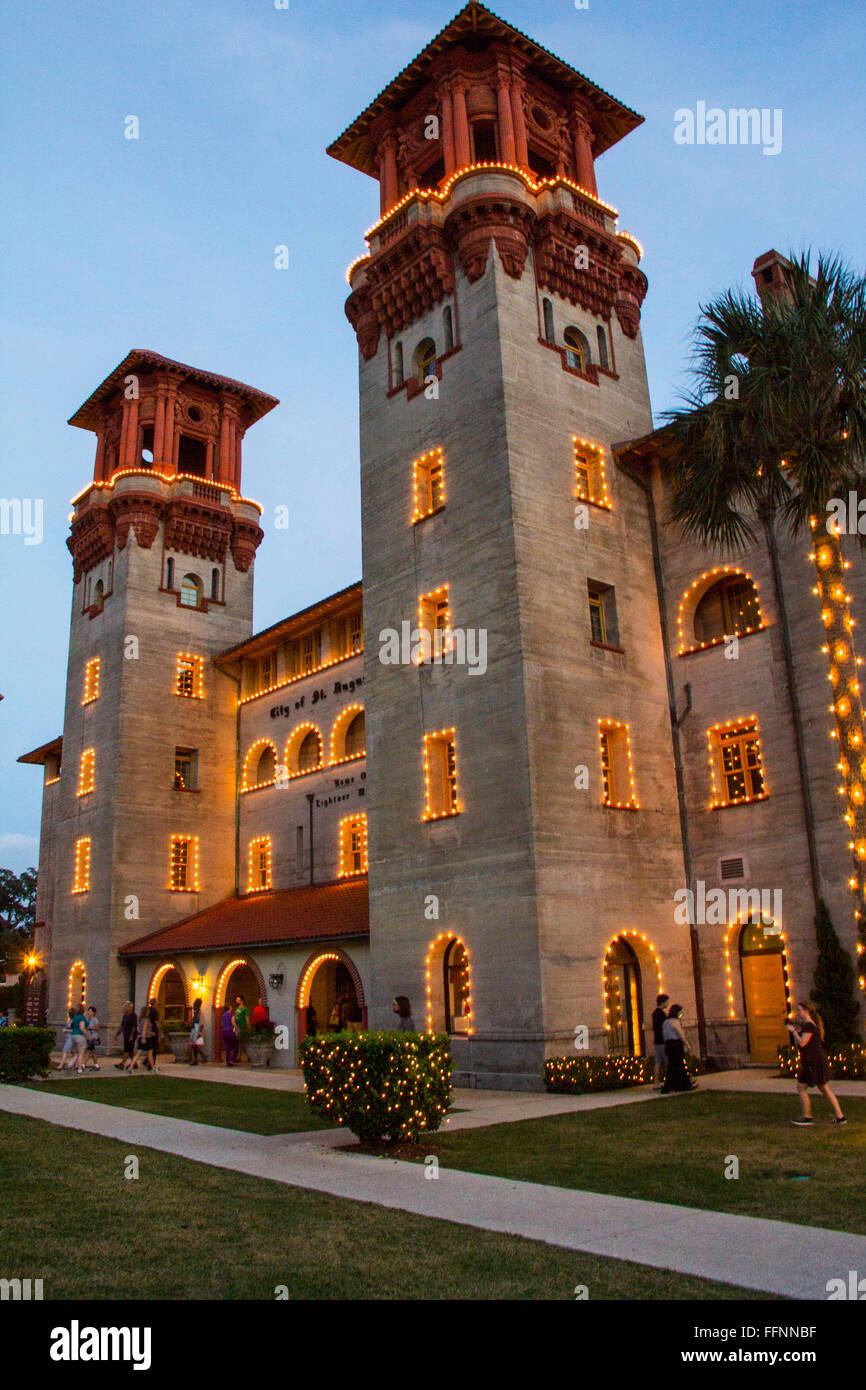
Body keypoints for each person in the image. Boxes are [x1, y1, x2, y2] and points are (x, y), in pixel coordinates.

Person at [787, 1002, 847, 1126]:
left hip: (813, 1062)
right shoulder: (808, 1025)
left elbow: (803, 1043)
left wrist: (793, 1032)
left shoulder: (809, 1025)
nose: (798, 1013)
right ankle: (840, 1116)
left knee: (802, 1087)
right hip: (814, 1060)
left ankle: (807, 1116)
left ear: (806, 1011)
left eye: (799, 1010)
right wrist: (797, 1030)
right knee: (824, 1088)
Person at [660, 1004, 698, 1094]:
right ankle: (683, 1085)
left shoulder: (666, 1022)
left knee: (674, 1066)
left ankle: (679, 1085)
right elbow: (681, 1034)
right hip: (676, 1045)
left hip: (668, 1045)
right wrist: (687, 1044)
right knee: (679, 1064)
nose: (681, 1014)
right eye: (680, 1012)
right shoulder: (675, 1022)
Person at [651, 992, 670, 1089]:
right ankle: (668, 1081)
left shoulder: (654, 1013)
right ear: (662, 1002)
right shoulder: (661, 1014)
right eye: (667, 1002)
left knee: (657, 1062)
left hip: (657, 1040)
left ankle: (656, 1083)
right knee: (667, 1062)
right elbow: (666, 1026)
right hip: (663, 1040)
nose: (667, 1004)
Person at [114, 1001, 138, 1071]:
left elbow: (134, 1026)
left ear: (130, 1008)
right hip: (126, 1034)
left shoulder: (133, 1015)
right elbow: (122, 1026)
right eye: (124, 1006)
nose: (124, 1007)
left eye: (126, 1006)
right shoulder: (125, 1016)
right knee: (130, 1051)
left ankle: (122, 1063)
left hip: (131, 1035)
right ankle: (135, 1064)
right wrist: (117, 1034)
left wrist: (131, 1036)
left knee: (127, 1050)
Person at [131, 1006, 153, 1072]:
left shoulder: (141, 1020)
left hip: (141, 1037)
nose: (149, 1012)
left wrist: (151, 1033)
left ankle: (131, 1066)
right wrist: (144, 1038)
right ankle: (153, 1068)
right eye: (148, 1011)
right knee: (149, 1053)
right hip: (146, 1038)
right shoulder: (147, 1020)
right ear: (146, 1012)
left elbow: (142, 1030)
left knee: (139, 1053)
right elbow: (144, 1030)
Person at [69, 1003, 88, 1073]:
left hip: (73, 1035)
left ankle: (72, 1063)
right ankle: (79, 1069)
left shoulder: (74, 1017)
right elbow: (82, 1028)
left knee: (76, 1053)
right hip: (80, 1036)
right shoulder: (82, 1017)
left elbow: (72, 1026)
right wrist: (88, 1035)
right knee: (81, 1053)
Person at [81, 1005, 101, 1071]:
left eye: (90, 1011)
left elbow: (97, 1028)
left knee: (88, 1050)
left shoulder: (95, 1020)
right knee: (92, 1051)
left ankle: (83, 1065)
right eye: (88, 1011)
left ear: (93, 1012)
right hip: (88, 1036)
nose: (89, 1012)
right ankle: (96, 1065)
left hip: (93, 1037)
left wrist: (90, 1027)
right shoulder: (87, 1019)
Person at [189, 998, 205, 1066]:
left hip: (197, 1029)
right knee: (193, 1045)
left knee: (194, 1045)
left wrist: (199, 1032)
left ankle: (202, 1055)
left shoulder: (200, 1013)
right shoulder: (195, 1012)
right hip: (193, 1029)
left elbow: (202, 1023)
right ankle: (195, 1059)